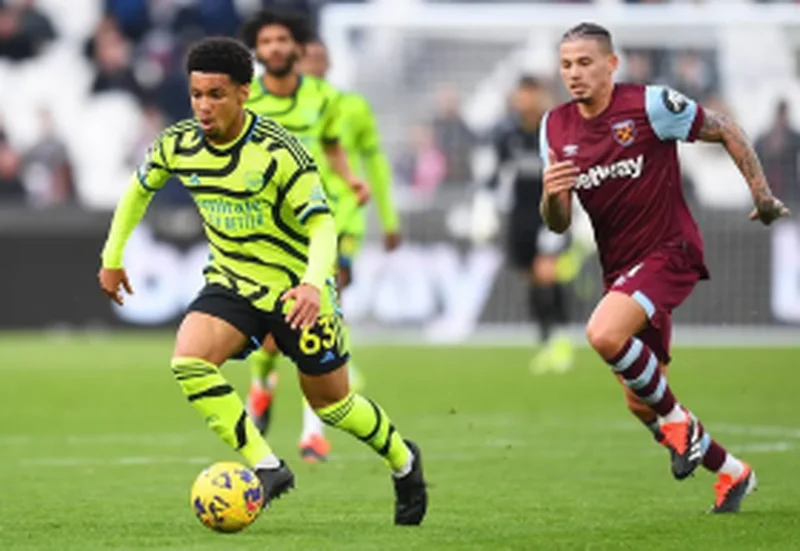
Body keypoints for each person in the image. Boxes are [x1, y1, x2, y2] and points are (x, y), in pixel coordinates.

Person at [97, 37, 427, 526]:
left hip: (297, 291)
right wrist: (112, 256)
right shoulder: (178, 144)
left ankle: (403, 459)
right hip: (232, 283)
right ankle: (269, 467)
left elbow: (322, 224)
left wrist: (313, 284)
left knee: (333, 405)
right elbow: (137, 190)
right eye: (196, 94)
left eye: (216, 94)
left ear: (243, 93)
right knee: (189, 360)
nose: (203, 106)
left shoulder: (278, 150)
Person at [540, 23, 789, 513]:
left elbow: (726, 128)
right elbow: (558, 222)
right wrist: (551, 194)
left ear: (611, 64)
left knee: (603, 335)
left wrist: (761, 195)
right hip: (620, 269)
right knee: (640, 401)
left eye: (585, 62)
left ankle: (681, 427)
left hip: (669, 251)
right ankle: (732, 472)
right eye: (566, 64)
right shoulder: (554, 127)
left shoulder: (650, 105)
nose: (574, 73)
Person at [239, 9, 371, 462]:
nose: (275, 48)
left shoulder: (323, 98)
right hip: (263, 231)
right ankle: (261, 383)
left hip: (314, 226)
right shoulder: (247, 98)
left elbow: (332, 145)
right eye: (266, 41)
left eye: (282, 40)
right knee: (271, 335)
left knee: (316, 326)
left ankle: (312, 432)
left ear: (296, 47)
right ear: (257, 50)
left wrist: (350, 179)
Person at [485, 75, 580, 375]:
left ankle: (561, 340)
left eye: (531, 94)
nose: (525, 100)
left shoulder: (555, 132)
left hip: (550, 215)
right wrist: (484, 205)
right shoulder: (508, 135)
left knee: (546, 272)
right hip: (520, 216)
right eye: (521, 94)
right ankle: (547, 339)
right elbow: (496, 174)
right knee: (532, 279)